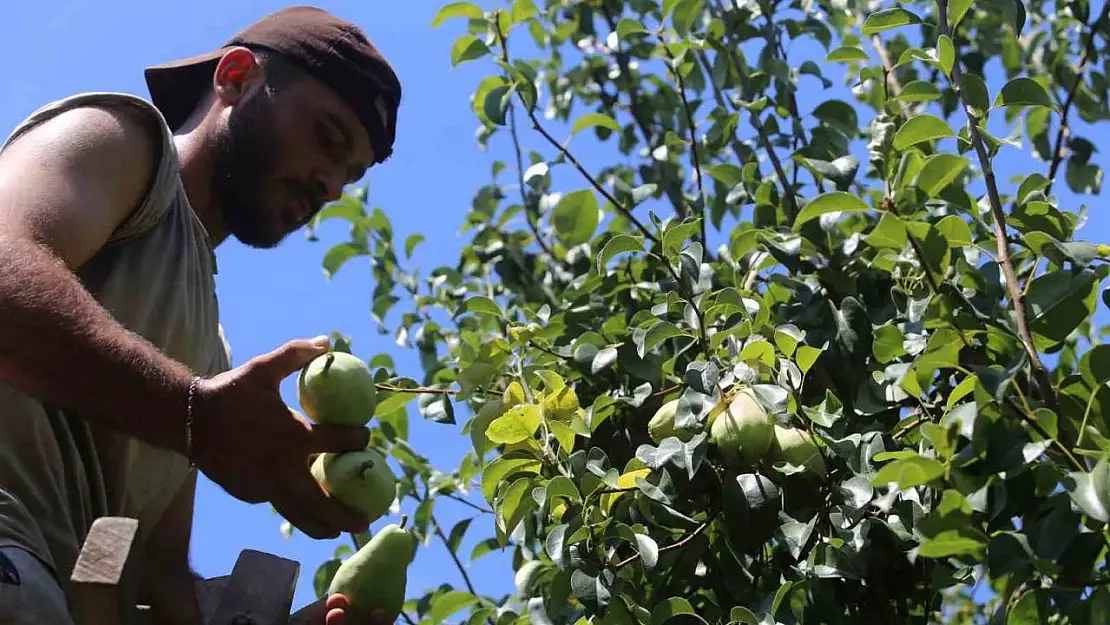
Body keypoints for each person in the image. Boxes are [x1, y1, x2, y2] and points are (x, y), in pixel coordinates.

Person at [0, 6, 402, 625]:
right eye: (328, 137)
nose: (330, 187)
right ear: (236, 77)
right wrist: (195, 417)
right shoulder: (123, 143)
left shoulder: (208, 352)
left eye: (348, 178)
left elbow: (149, 570)